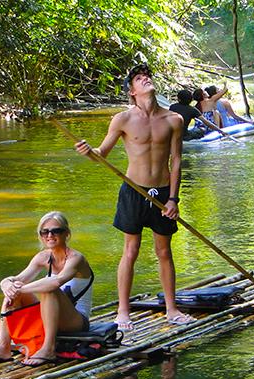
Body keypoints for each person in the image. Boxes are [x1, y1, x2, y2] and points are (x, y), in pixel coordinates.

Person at [74, 64, 196, 330]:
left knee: (164, 251)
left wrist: (174, 199)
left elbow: (176, 162)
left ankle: (172, 309)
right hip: (133, 190)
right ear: (132, 91)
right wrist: (88, 151)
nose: (145, 80)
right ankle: (123, 312)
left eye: (147, 77)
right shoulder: (123, 119)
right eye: (139, 79)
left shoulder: (174, 119)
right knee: (130, 250)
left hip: (163, 193)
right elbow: (101, 154)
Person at [0, 211, 94, 367]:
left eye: (56, 231)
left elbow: (56, 282)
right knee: (12, 295)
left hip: (76, 321)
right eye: (45, 232)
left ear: (67, 233)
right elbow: (16, 279)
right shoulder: (42, 257)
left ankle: (48, 348)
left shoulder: (76, 258)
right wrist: (6, 284)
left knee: (47, 289)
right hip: (50, 316)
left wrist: (21, 288)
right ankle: (3, 347)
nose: (50, 235)